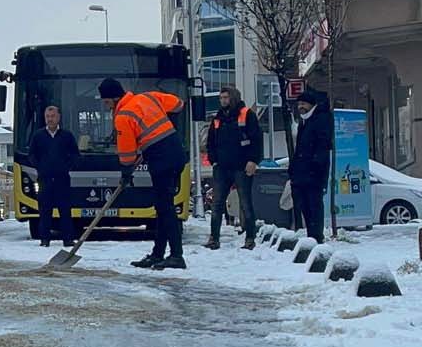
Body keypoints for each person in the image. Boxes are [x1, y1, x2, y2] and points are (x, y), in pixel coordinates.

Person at [99, 77, 186, 270]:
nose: (106, 106)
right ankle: (158, 254)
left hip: (161, 159)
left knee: (166, 208)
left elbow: (127, 155)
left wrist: (126, 174)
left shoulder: (123, 116)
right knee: (163, 206)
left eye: (106, 102)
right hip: (175, 152)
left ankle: (177, 256)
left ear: (113, 99)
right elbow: (179, 104)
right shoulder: (149, 97)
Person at [203, 85, 263, 251]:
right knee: (217, 204)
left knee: (245, 203)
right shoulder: (217, 118)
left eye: (226, 97)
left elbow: (256, 139)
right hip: (222, 167)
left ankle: (250, 238)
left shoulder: (246, 115)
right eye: (221, 98)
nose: (223, 101)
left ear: (233, 98)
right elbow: (211, 142)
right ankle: (214, 238)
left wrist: (253, 160)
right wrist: (214, 160)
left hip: (241, 167)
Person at [27, 103, 80, 248]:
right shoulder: (38, 136)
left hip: (62, 179)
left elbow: (75, 155)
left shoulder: (67, 136)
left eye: (53, 116)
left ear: (59, 118)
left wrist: (67, 166)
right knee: (44, 211)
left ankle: (68, 239)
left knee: (65, 211)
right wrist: (40, 167)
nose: (50, 119)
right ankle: (45, 239)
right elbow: (31, 155)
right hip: (44, 179)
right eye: (47, 117)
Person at [288, 88, 333, 244]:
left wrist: (315, 167)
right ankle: (312, 237)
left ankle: (316, 238)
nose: (301, 106)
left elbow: (322, 147)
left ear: (311, 105)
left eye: (304, 103)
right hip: (302, 174)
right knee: (305, 207)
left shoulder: (320, 120)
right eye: (299, 103)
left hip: (313, 174)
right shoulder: (304, 122)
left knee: (314, 208)